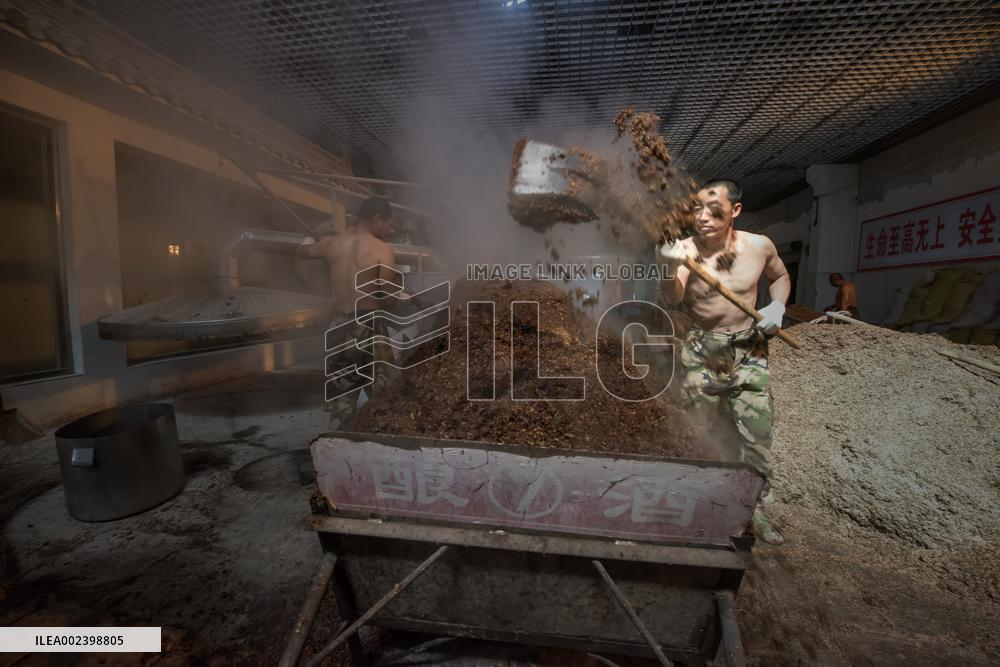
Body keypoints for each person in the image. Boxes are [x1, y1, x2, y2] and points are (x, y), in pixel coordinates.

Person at [660, 179, 790, 545]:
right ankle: (702, 504)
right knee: (700, 431)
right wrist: (669, 269)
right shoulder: (684, 250)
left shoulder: (759, 247)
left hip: (749, 348)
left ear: (735, 210)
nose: (702, 217)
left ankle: (752, 511)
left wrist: (778, 306)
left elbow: (780, 276)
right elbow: (673, 298)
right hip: (703, 350)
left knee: (757, 433)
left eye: (713, 210)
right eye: (697, 209)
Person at [298, 197, 397, 430]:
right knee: (386, 398)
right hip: (369, 327)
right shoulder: (382, 250)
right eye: (387, 224)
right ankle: (382, 446)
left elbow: (302, 250)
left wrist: (315, 232)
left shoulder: (331, 243)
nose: (388, 229)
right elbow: (389, 295)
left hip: (339, 328)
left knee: (342, 397)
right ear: (377, 218)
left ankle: (339, 449)